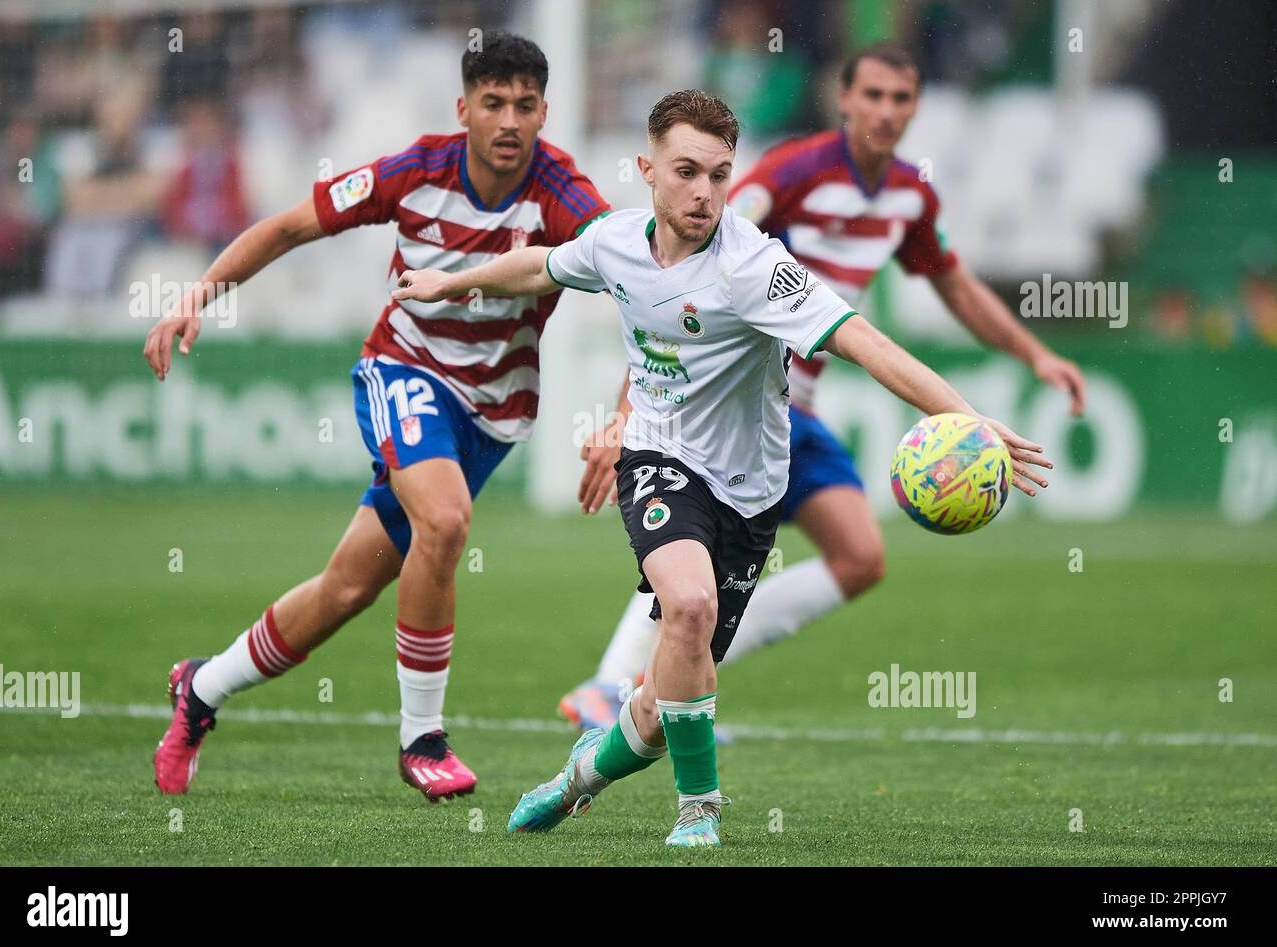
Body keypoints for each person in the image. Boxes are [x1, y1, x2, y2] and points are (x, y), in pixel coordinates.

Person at [392, 89, 1051, 846]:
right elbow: (542, 266)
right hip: (659, 456)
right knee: (690, 605)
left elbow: (866, 342)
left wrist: (960, 417)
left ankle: (581, 777)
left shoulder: (755, 267)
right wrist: (453, 281)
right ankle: (699, 811)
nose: (703, 191)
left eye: (718, 173)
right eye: (685, 171)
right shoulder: (613, 243)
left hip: (752, 489)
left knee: (666, 700)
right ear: (647, 169)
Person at [559, 42, 1087, 733]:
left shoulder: (908, 194)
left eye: (901, 99)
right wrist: (630, 415)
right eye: (872, 95)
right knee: (695, 537)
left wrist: (1034, 354)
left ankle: (665, 672)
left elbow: (952, 283)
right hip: (719, 402)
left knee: (861, 558)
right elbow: (675, 287)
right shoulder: (791, 173)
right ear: (843, 100)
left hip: (792, 412)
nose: (886, 112)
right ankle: (614, 682)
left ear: (916, 107)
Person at [144, 32, 610, 801]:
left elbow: (635, 282)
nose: (509, 120)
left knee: (345, 590)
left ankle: (202, 687)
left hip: (492, 415)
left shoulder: (562, 195)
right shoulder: (414, 172)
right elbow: (291, 226)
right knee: (448, 522)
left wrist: (624, 415)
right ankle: (421, 738)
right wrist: (198, 294)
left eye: (525, 106)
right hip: (404, 370)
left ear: (544, 113)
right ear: (464, 108)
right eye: (493, 103)